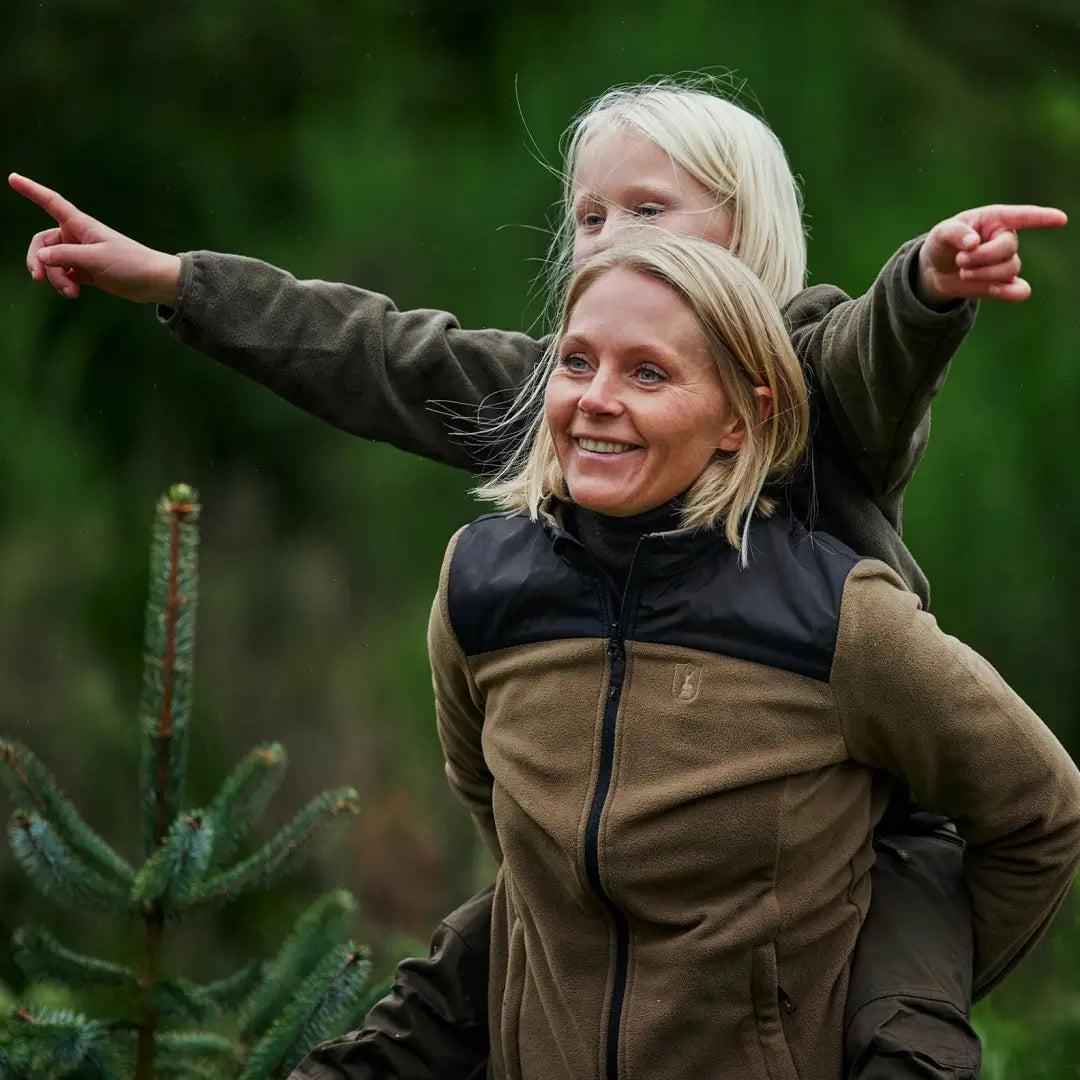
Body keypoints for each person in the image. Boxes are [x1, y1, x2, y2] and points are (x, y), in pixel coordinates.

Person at [9, 79, 1068, 1079]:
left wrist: (927, 287)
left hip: (868, 840)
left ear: (744, 241)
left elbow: (880, 355)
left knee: (900, 1037)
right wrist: (179, 280)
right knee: (446, 999)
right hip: (629, 839)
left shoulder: (808, 382)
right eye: (590, 217)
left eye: (647, 211)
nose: (608, 240)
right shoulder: (574, 388)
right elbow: (382, 354)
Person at [427, 233, 1080, 1080]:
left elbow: (1039, 809)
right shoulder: (478, 582)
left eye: (648, 373)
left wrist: (876, 996)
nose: (596, 399)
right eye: (577, 362)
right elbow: (489, 796)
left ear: (744, 419)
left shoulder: (842, 617)